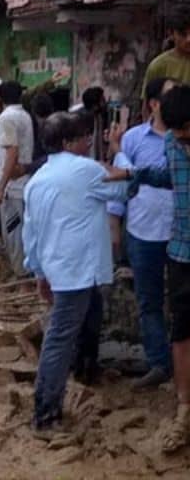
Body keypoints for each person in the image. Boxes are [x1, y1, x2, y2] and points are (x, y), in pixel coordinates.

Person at [23, 112, 130, 436]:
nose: (88, 141)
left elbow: (32, 233)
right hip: (78, 269)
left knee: (87, 320)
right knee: (59, 338)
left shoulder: (37, 179)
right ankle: (46, 412)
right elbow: (123, 191)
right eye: (84, 137)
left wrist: (39, 271)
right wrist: (119, 152)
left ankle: (85, 372)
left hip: (59, 267)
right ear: (69, 142)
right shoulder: (86, 170)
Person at [123, 84, 190, 451]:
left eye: (185, 130)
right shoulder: (170, 145)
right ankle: (183, 408)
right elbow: (172, 179)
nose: (180, 138)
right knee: (180, 329)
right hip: (178, 248)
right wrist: (136, 177)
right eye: (175, 130)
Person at [109, 77, 177, 391]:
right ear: (154, 104)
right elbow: (121, 184)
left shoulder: (184, 139)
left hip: (181, 235)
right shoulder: (134, 139)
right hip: (142, 233)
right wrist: (114, 227)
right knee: (149, 301)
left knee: (181, 302)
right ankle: (159, 364)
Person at [0, 81, 34, 275]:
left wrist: (1, 188)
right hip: (23, 183)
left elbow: (11, 152)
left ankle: (20, 274)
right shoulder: (25, 116)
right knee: (23, 231)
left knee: (13, 232)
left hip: (13, 187)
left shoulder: (6, 118)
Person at [144, 9, 190, 90]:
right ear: (171, 34)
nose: (189, 39)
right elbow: (148, 100)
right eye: (183, 34)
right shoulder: (158, 66)